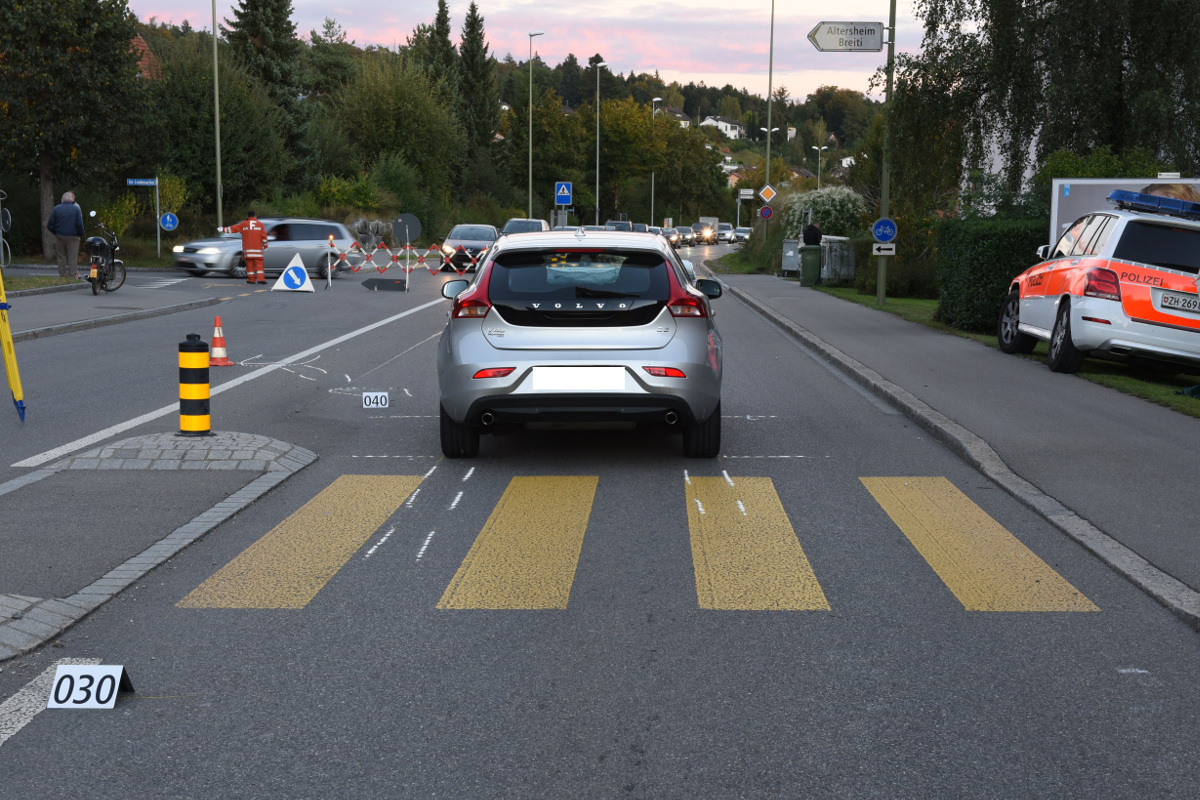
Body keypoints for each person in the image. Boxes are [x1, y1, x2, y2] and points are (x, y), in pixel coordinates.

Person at [219, 211, 268, 284]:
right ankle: (261, 279)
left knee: (249, 265)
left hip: (248, 250)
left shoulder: (244, 224)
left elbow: (233, 229)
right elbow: (264, 236)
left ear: (248, 216)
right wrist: (265, 245)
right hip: (257, 250)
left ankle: (251, 280)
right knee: (259, 265)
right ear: (255, 216)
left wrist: (222, 229)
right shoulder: (260, 224)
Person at [45, 191, 85, 279]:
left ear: (62, 200)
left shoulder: (56, 209)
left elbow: (50, 224)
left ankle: (62, 276)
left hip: (60, 236)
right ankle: (72, 276)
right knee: (72, 257)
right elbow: (79, 224)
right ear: (71, 200)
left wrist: (56, 232)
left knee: (61, 257)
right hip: (73, 237)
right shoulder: (76, 209)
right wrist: (79, 234)